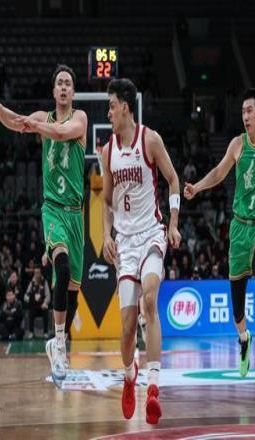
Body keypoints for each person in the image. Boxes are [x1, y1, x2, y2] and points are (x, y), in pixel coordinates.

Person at [0, 64, 86, 386]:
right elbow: (16, 122)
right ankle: (59, 342)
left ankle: (59, 342)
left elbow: (61, 133)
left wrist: (34, 125)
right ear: (53, 91)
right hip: (53, 209)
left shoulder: (80, 119)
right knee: (61, 267)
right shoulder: (43, 116)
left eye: (68, 83)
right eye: (59, 83)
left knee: (73, 294)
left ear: (73, 92)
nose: (63, 87)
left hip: (76, 214)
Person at [184, 88, 255, 392]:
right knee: (237, 310)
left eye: (249, 111)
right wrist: (197, 188)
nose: (245, 116)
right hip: (239, 229)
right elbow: (219, 173)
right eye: (242, 111)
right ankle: (244, 338)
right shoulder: (237, 144)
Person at [102, 78, 181, 424]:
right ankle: (129, 374)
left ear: (125, 108)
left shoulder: (150, 139)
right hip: (125, 243)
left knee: (150, 300)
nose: (108, 113)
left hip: (151, 233)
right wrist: (106, 234)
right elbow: (106, 201)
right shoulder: (107, 151)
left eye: (111, 106)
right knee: (127, 327)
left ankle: (153, 388)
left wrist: (173, 224)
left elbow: (173, 179)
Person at [24, 267, 50, 338]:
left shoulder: (44, 282)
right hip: (34, 305)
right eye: (35, 273)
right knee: (31, 312)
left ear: (40, 273)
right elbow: (26, 295)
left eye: (38, 272)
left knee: (46, 311)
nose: (36, 274)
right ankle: (31, 332)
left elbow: (48, 295)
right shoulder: (31, 283)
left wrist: (45, 303)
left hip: (42, 305)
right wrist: (30, 300)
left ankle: (45, 333)